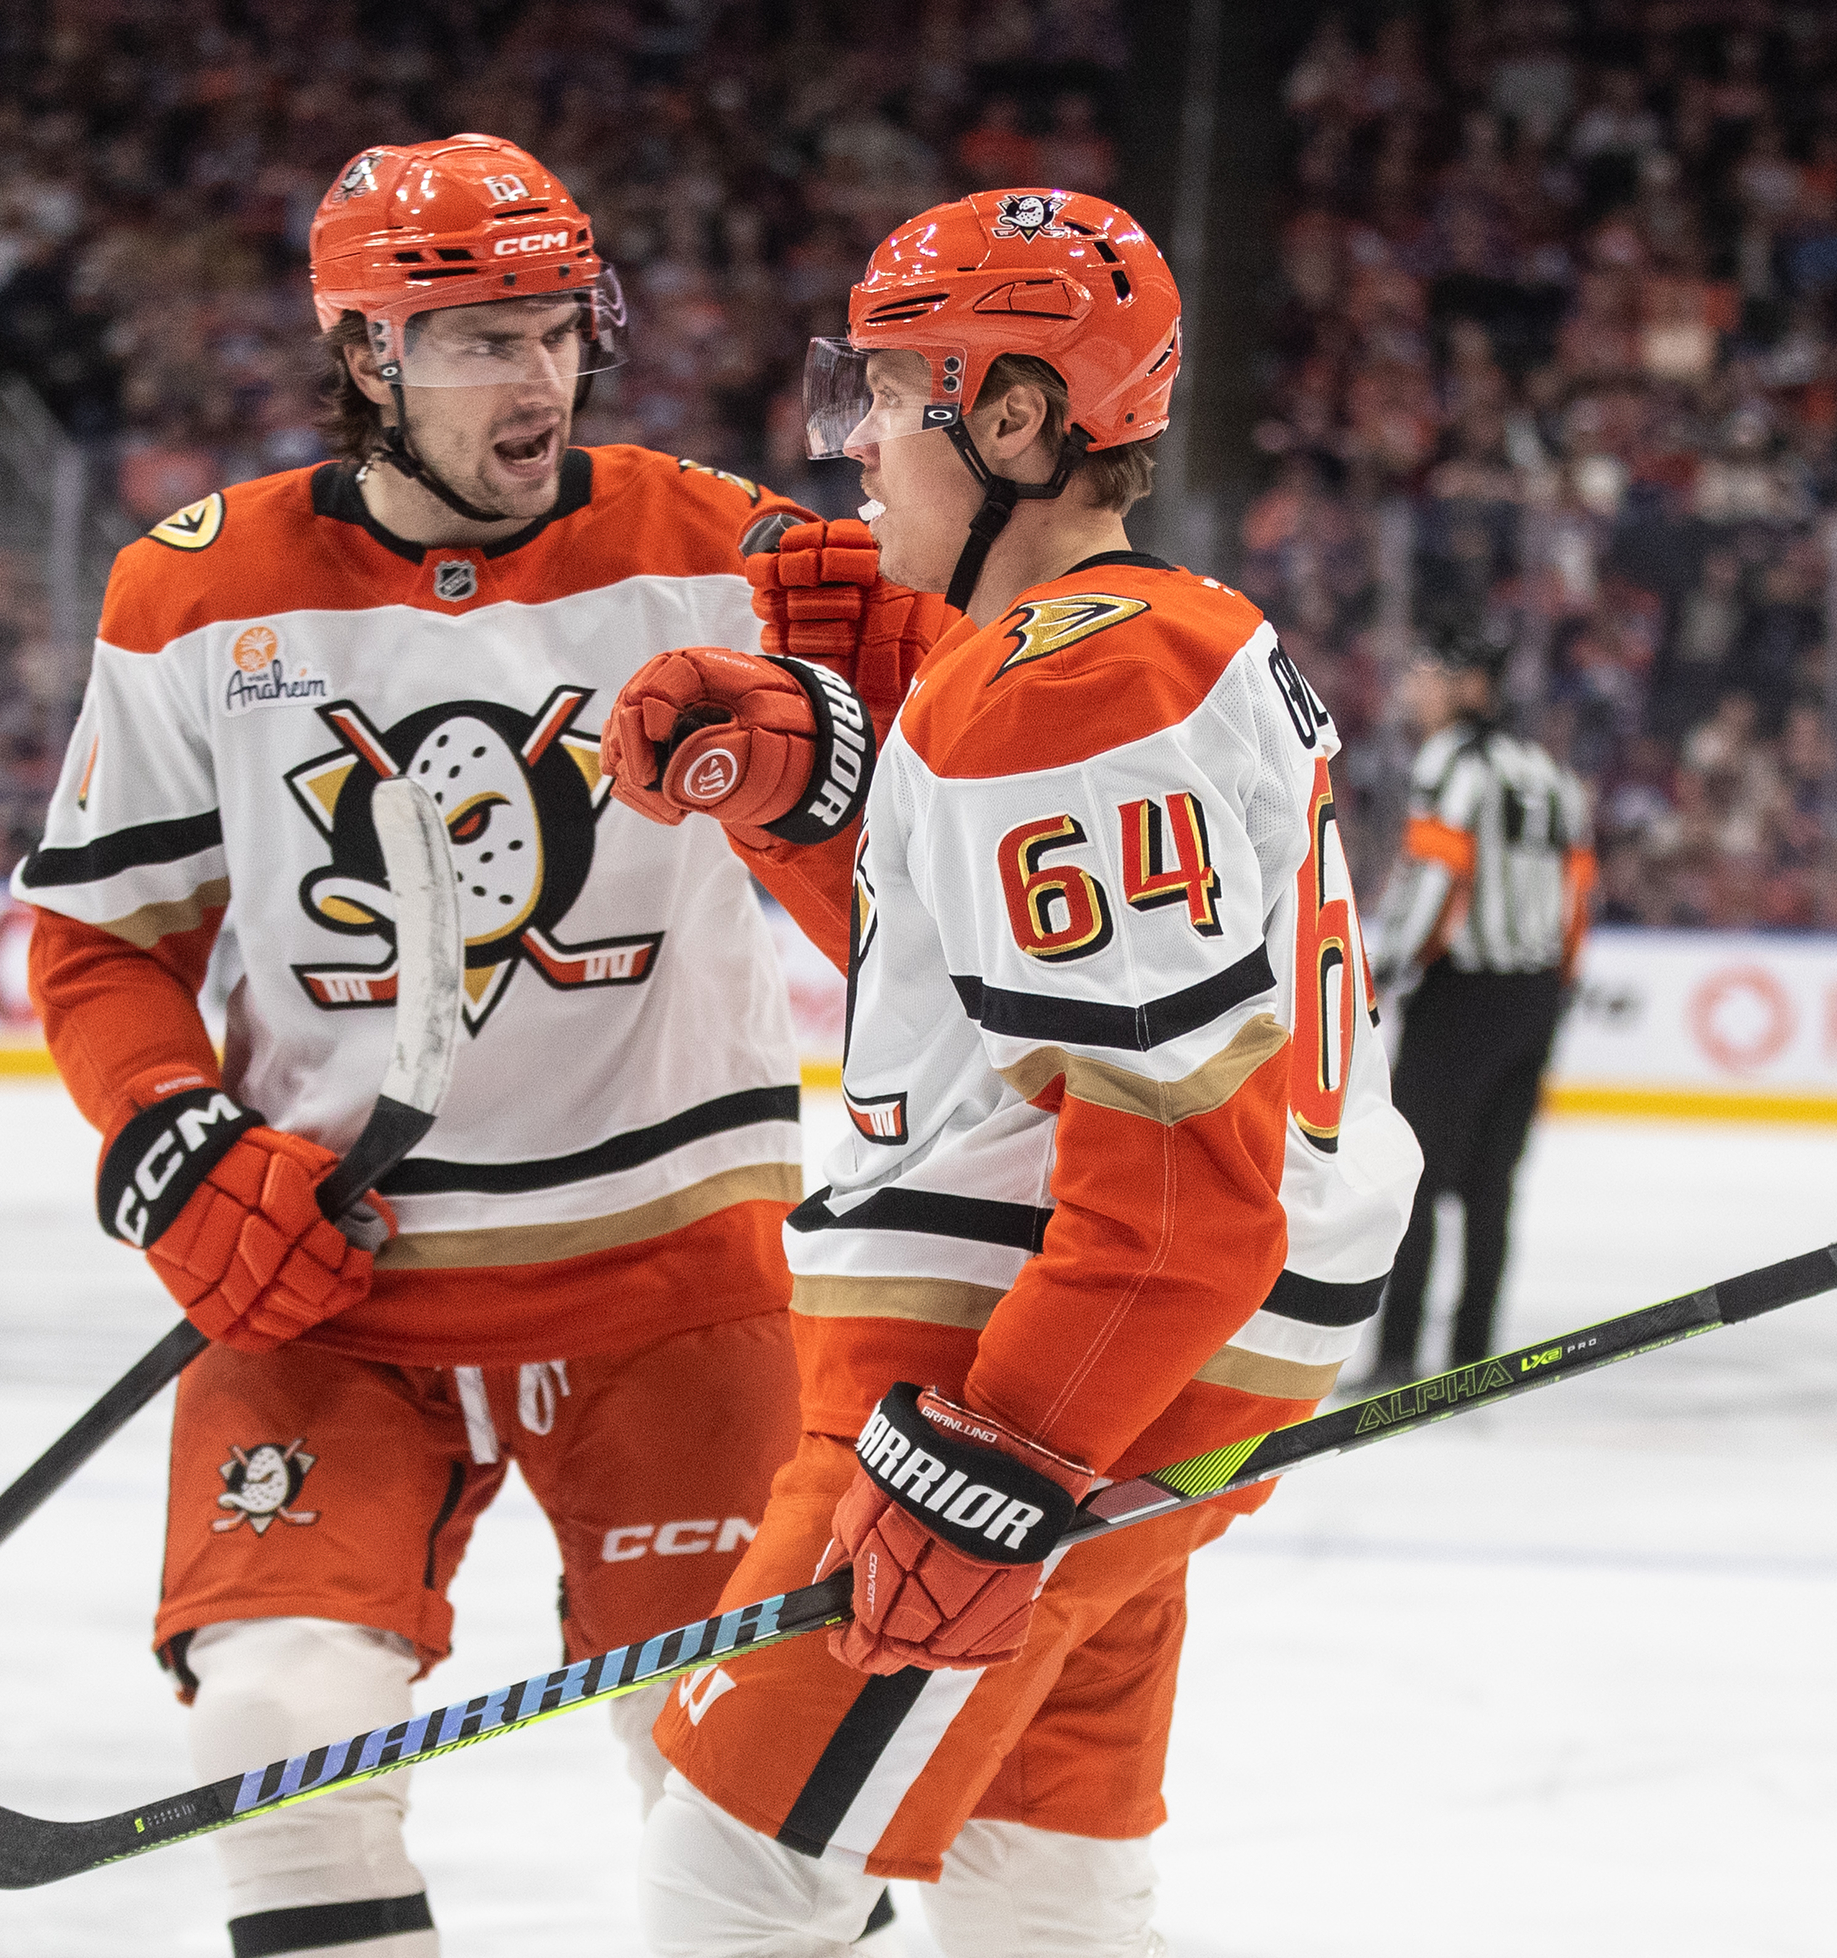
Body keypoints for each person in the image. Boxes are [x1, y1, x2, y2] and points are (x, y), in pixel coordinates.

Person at [11, 134, 830, 1958]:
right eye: (477, 340)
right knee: (279, 1721)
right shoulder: (194, 589)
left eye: (558, 328)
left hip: (674, 1276)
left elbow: (936, 808)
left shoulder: (736, 552)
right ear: (365, 354)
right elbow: (102, 933)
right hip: (336, 1285)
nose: (538, 380)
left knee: (751, 1792)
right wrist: (172, 1136)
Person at [597, 189, 1421, 1957]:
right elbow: (986, 1020)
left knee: (730, 1873)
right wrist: (807, 800)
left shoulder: (1068, 691)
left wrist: (1012, 1452)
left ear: (1021, 416)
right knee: (1043, 1870)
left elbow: (1185, 1176)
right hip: (1123, 1357)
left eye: (892, 394)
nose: (856, 445)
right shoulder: (1146, 635)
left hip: (1019, 1361)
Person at [1352, 617, 1595, 1393]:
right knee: (1493, 1185)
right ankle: (1478, 1358)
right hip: (1533, 995)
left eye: (1424, 672)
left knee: (1416, 1175)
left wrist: (1387, 965)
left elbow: (1436, 878)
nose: (1410, 689)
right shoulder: (1551, 773)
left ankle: (1397, 1359)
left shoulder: (1451, 763)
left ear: (1467, 686)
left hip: (1462, 993)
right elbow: (1578, 894)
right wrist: (1557, 981)